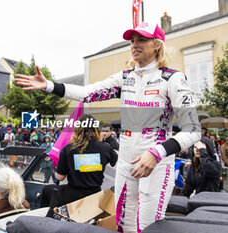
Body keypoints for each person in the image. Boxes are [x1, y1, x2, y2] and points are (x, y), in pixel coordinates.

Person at [15, 22, 201, 232]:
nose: (134, 45)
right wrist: (49, 85)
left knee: (148, 228)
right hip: (126, 163)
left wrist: (157, 152)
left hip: (156, 166)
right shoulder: (125, 78)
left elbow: (193, 129)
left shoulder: (173, 79)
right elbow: (87, 93)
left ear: (157, 45)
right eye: (132, 41)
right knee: (123, 226)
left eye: (142, 39)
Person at [41, 114, 118, 208]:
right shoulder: (105, 148)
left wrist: (57, 169)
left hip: (72, 196)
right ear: (96, 129)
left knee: (46, 190)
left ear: (77, 130)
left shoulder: (68, 149)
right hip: (95, 195)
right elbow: (115, 161)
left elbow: (60, 177)